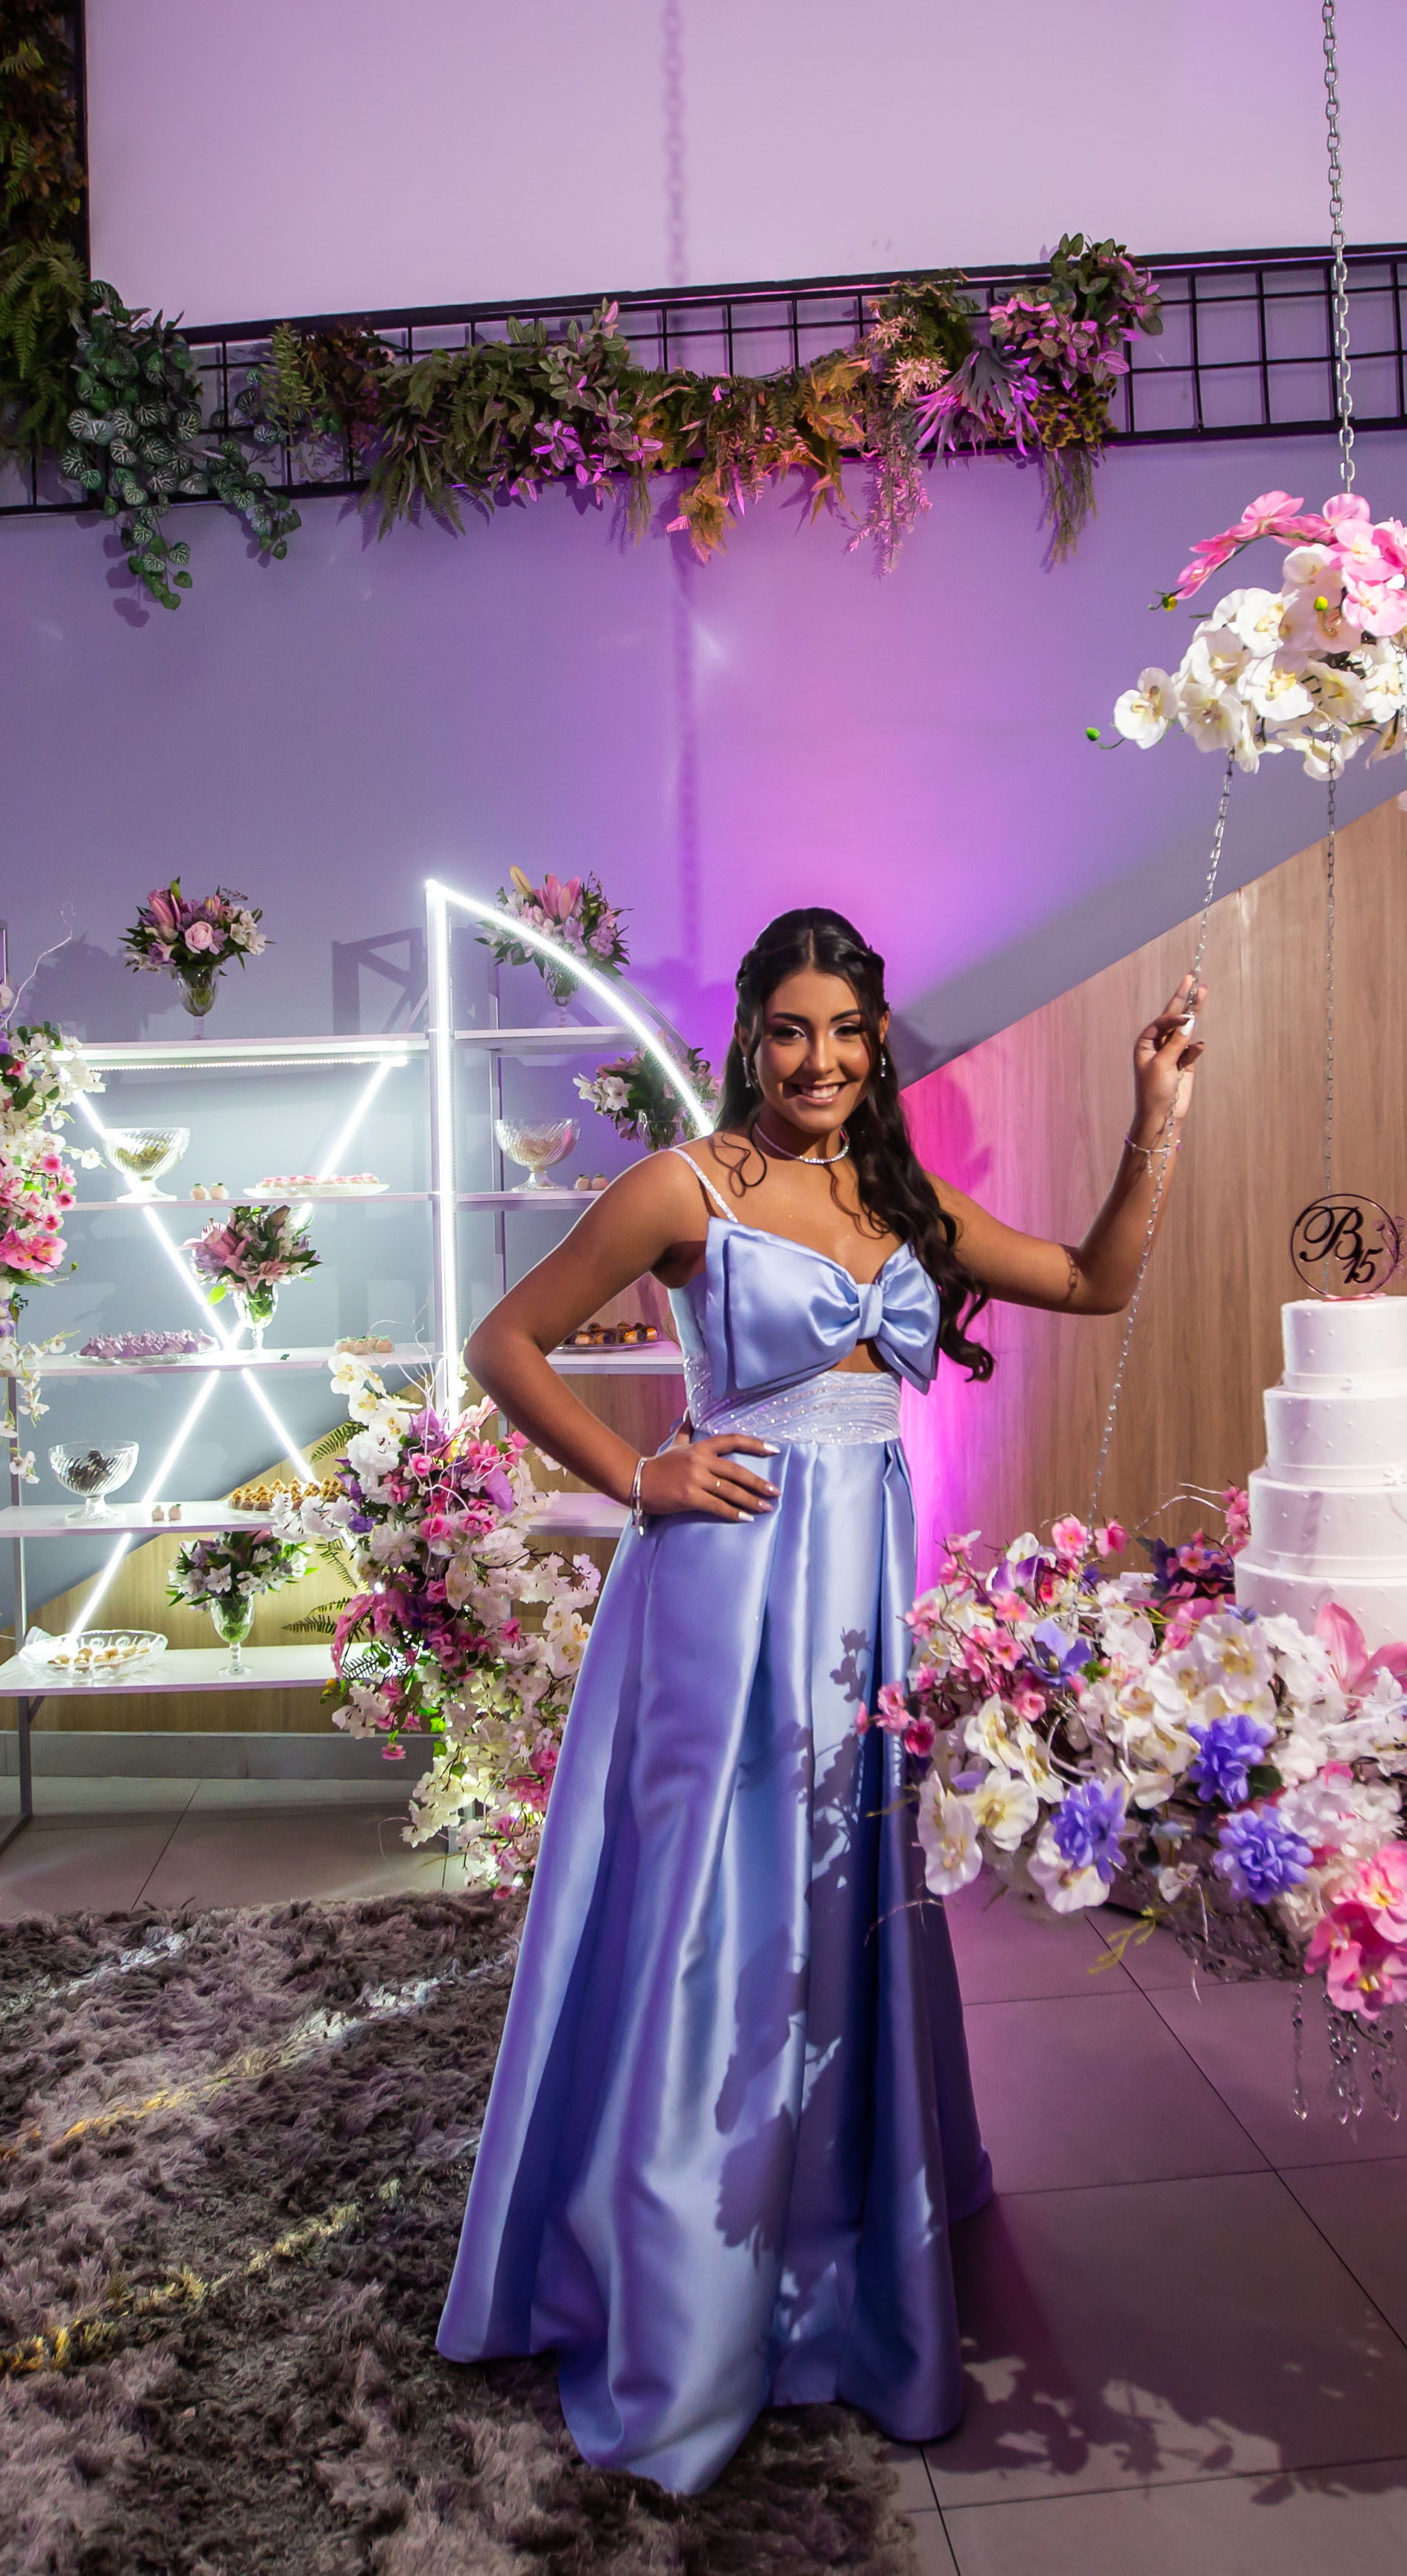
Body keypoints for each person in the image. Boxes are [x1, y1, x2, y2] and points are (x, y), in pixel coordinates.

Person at [437, 903, 1208, 2490]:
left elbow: (1093, 1278)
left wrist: (1156, 1117)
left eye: (846, 1032)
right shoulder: (686, 1185)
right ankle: (680, 2283)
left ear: (873, 1043)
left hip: (864, 1600)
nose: (820, 1060)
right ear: (750, 1034)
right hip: (724, 1589)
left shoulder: (896, 1195)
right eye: (791, 1029)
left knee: (845, 1895)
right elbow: (503, 1342)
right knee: (715, 1914)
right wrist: (639, 1471)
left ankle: (828, 2242)